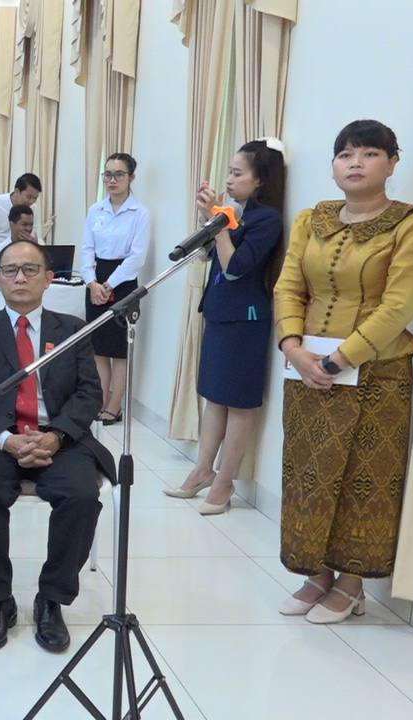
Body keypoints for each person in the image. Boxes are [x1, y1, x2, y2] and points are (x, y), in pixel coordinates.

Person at [273, 120, 413, 624]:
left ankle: (351, 583)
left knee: (362, 477)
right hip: (306, 369)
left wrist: (339, 359)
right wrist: (293, 347)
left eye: (369, 153)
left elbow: (400, 304)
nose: (355, 163)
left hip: (376, 374)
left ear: (392, 163)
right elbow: (288, 286)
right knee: (308, 472)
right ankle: (316, 573)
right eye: (345, 154)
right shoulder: (311, 220)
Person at [0, 239, 115, 653]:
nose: (20, 278)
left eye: (30, 270)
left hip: (59, 438)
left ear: (48, 279)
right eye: (10, 270)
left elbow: (89, 394)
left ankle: (51, 599)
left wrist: (56, 435)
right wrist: (6, 440)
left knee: (81, 496)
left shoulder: (73, 330)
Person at [167, 139, 286, 514]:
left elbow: (235, 268)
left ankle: (225, 480)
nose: (229, 180)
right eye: (229, 173)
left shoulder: (267, 220)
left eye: (237, 173)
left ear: (260, 179)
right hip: (219, 312)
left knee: (238, 402)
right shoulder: (235, 212)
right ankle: (202, 469)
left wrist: (220, 223)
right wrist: (211, 218)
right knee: (214, 395)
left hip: (245, 320)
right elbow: (205, 257)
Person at [80, 153, 149, 426]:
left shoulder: (140, 213)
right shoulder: (95, 210)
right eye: (107, 174)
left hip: (123, 284)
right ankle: (99, 402)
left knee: (119, 350)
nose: (112, 180)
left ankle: (115, 405)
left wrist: (109, 285)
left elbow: (137, 257)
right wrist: (91, 283)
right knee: (98, 348)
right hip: (95, 281)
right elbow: (87, 249)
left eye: (119, 174)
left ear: (131, 177)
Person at [0, 173, 41, 259]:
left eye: (35, 198)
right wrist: (0, 255)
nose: (31, 202)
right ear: (17, 191)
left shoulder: (33, 208)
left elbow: (33, 231)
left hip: (21, 254)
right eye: (29, 197)